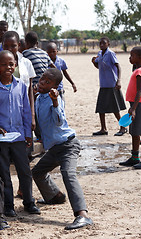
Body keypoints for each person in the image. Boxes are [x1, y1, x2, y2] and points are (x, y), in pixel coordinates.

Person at [32, 68, 93, 230]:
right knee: (37, 172)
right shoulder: (38, 97)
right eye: (43, 78)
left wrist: (55, 102)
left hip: (68, 145)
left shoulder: (56, 99)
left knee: (68, 174)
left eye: (48, 82)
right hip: (54, 149)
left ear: (56, 86)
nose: (42, 82)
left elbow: (59, 121)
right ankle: (55, 196)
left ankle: (82, 215)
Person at [0, 50, 40, 217]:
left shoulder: (21, 86)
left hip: (19, 136)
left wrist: (28, 133)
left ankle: (29, 202)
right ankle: (8, 205)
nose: (8, 67)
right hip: (2, 138)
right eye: (3, 64)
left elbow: (26, 111)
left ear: (16, 65)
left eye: (11, 64)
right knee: (4, 172)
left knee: (24, 170)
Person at [119, 47, 141, 169]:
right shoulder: (139, 70)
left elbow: (139, 92)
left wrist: (133, 109)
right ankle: (134, 157)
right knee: (134, 132)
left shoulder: (139, 72)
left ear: (139, 57)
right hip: (136, 104)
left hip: (140, 105)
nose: (129, 58)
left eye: (132, 55)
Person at [92, 37, 127, 136]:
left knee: (115, 108)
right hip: (103, 84)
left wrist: (118, 81)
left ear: (108, 44)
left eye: (104, 43)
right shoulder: (99, 54)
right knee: (101, 108)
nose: (102, 45)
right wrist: (94, 62)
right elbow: (99, 66)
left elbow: (118, 66)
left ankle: (123, 127)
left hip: (112, 84)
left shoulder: (110, 53)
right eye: (100, 43)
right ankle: (103, 128)